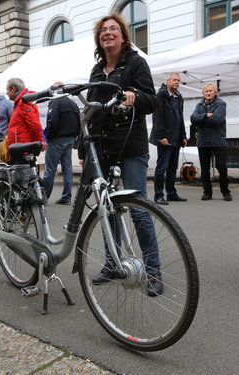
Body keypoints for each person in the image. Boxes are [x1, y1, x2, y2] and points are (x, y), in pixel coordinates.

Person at [79, 14, 162, 296]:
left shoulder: (136, 62)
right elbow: (89, 111)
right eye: (103, 30)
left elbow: (152, 100)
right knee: (106, 208)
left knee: (138, 208)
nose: (108, 33)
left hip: (130, 145)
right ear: (99, 38)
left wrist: (134, 96)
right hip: (101, 146)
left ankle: (153, 270)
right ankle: (112, 264)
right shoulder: (96, 70)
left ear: (123, 36)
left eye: (113, 29)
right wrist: (83, 148)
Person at [149, 72, 188, 205]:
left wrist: (183, 135)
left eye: (178, 80)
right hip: (165, 138)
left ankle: (171, 193)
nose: (177, 82)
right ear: (168, 81)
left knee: (172, 168)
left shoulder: (178, 97)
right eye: (174, 80)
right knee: (162, 167)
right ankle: (158, 195)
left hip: (176, 138)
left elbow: (180, 118)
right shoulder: (160, 95)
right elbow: (157, 118)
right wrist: (161, 137)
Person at [190, 83, 232, 201]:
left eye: (210, 91)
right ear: (203, 93)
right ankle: (207, 192)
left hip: (218, 141)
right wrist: (205, 116)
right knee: (205, 169)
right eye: (206, 91)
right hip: (203, 141)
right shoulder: (199, 104)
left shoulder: (221, 104)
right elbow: (193, 119)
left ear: (215, 92)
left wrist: (201, 120)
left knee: (221, 166)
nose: (208, 93)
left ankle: (225, 192)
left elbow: (217, 119)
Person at [43, 82, 80, 205]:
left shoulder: (55, 102)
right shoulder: (73, 104)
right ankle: (66, 197)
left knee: (50, 170)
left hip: (57, 139)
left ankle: (44, 197)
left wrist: (48, 135)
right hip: (69, 139)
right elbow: (79, 122)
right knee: (67, 169)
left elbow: (52, 121)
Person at [5, 78, 46, 164]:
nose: (6, 93)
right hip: (20, 146)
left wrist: (38, 143)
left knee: (24, 174)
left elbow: (34, 124)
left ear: (13, 89)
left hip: (22, 147)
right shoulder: (20, 102)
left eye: (7, 90)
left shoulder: (23, 102)